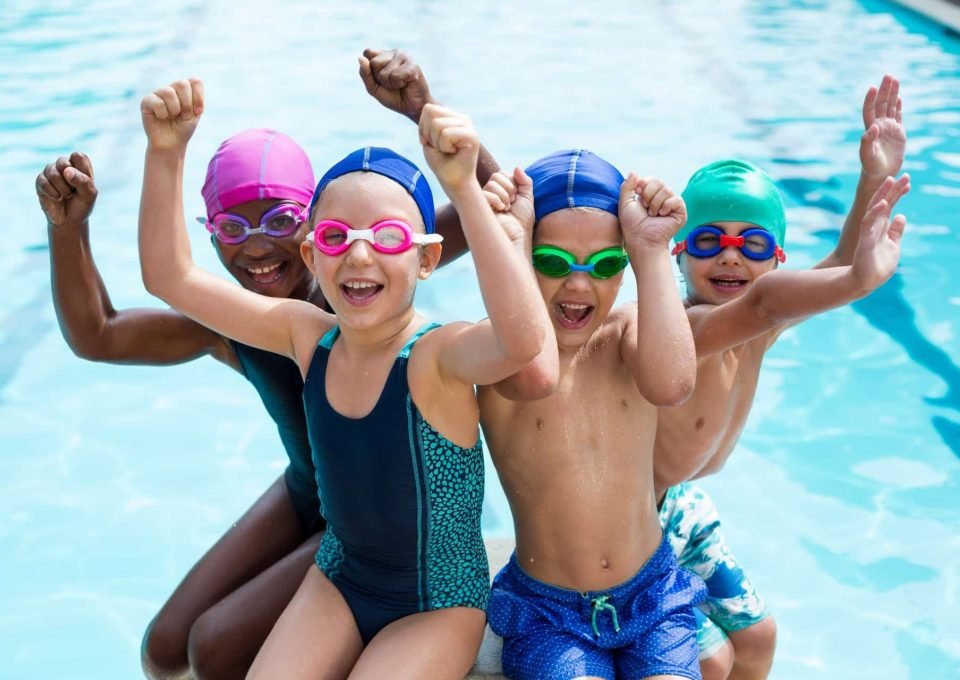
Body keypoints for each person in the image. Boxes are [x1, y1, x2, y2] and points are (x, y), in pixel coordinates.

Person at [36, 50, 498, 679]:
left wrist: (422, 107)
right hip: (308, 492)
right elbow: (99, 335)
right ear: (212, 234)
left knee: (216, 646)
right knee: (164, 648)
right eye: (232, 227)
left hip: (380, 525)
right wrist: (69, 231)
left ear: (314, 227)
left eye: (279, 220)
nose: (256, 247)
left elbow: (494, 208)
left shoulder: (354, 289)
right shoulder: (238, 322)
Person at [137, 75, 551, 679]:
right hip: (339, 580)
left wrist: (463, 189)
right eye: (335, 237)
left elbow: (522, 340)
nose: (359, 256)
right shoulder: (308, 336)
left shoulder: (437, 355)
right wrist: (166, 152)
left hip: (435, 604)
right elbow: (170, 277)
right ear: (311, 255)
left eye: (386, 237)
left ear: (427, 258)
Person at [653, 75, 908, 680]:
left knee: (760, 637)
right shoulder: (678, 331)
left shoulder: (759, 325)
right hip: (635, 522)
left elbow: (839, 266)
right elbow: (777, 298)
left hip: (684, 504)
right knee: (711, 661)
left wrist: (873, 179)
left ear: (779, 257)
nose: (731, 256)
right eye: (710, 240)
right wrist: (856, 280)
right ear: (678, 251)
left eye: (753, 242)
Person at [478, 149, 706, 680]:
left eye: (604, 265)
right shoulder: (497, 357)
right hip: (548, 612)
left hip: (653, 597)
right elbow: (535, 372)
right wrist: (509, 243)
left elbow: (672, 384)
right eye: (553, 263)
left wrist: (651, 251)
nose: (579, 285)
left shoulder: (626, 335)